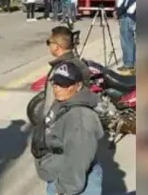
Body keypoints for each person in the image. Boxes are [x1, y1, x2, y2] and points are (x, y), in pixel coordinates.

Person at [32, 61, 105, 195]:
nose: (58, 88)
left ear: (78, 86)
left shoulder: (80, 118)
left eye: (65, 84)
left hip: (72, 182)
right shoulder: (64, 101)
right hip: (60, 173)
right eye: (56, 83)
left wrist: (65, 190)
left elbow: (77, 158)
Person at [43, 26, 91, 113]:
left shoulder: (60, 70)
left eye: (49, 42)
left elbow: (51, 102)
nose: (48, 45)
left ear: (57, 47)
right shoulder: (79, 63)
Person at [114, 0, 136, 75]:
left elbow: (126, 3)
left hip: (127, 17)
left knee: (126, 41)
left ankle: (128, 64)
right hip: (130, 17)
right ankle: (132, 63)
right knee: (130, 41)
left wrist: (118, 13)